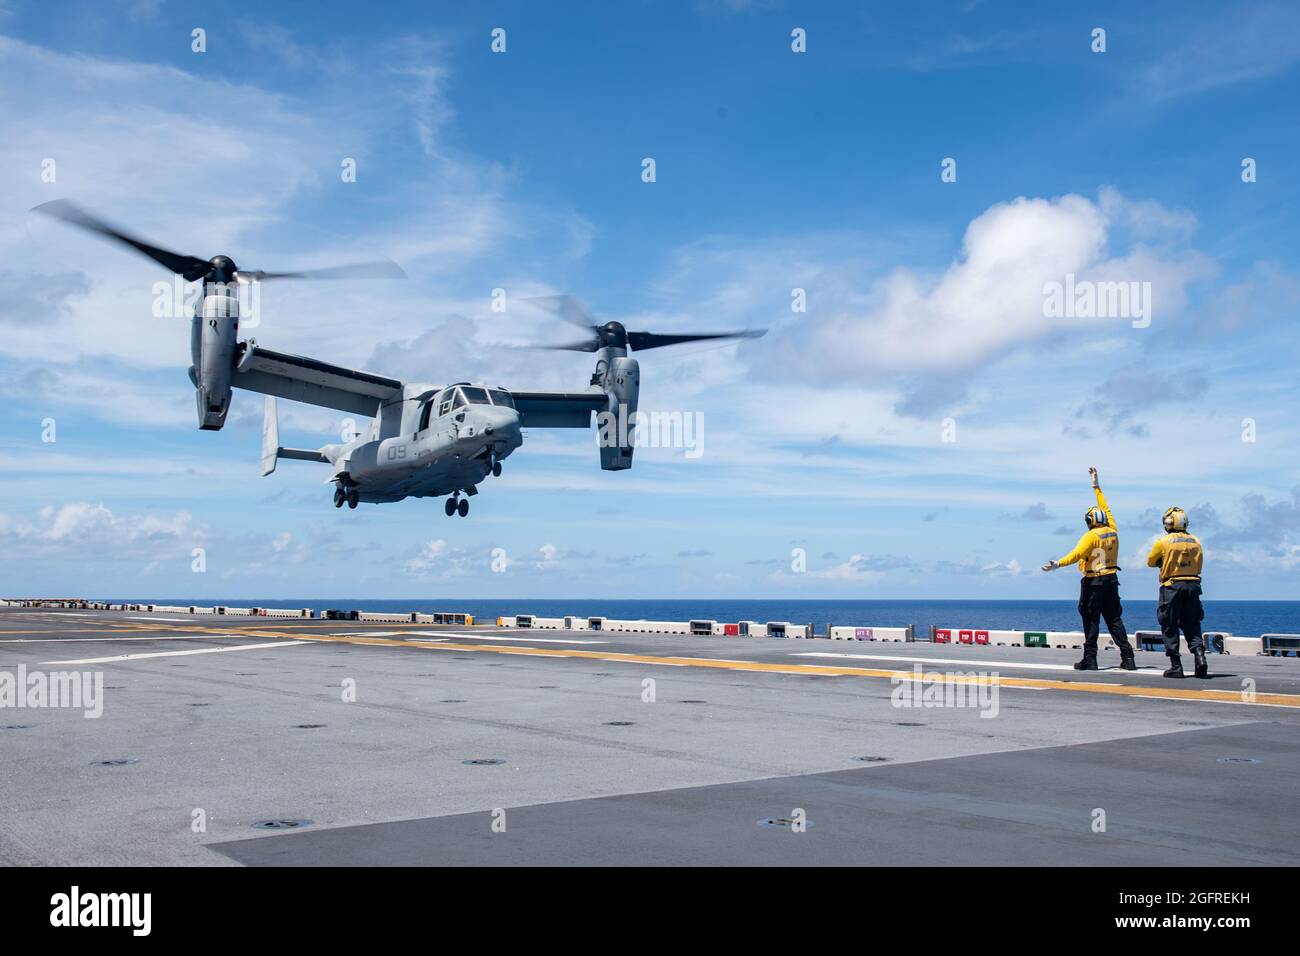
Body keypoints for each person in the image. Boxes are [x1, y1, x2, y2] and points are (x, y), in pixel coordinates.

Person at [1041, 468, 1137, 670]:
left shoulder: (1091, 536)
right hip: (1111, 579)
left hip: (1093, 582)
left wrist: (1057, 564)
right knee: (1114, 619)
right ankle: (1128, 657)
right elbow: (1106, 508)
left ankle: (1090, 659)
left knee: (1091, 620)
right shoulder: (1113, 531)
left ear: (1089, 522)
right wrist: (1096, 487)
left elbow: (1076, 555)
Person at [1147, 507, 1207, 679]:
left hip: (1172, 586)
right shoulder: (1196, 540)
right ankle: (1199, 656)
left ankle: (1176, 665)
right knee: (1192, 623)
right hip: (1194, 585)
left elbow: (1151, 561)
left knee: (1169, 624)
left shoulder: (1164, 542)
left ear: (1169, 524)